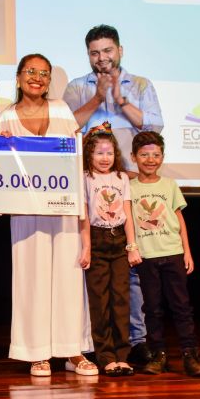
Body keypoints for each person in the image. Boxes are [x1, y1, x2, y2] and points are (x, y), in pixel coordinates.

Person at [63, 24, 164, 367]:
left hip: (131, 184)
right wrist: (97, 98)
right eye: (95, 52)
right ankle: (95, 341)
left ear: (120, 50)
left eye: (108, 50)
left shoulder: (141, 85)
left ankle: (134, 340)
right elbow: (65, 128)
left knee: (132, 271)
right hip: (90, 187)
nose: (102, 58)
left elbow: (152, 130)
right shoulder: (77, 87)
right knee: (93, 270)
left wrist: (120, 99)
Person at [0, 54, 97, 377]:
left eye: (44, 73)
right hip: (25, 207)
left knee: (68, 277)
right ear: (17, 77)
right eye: (31, 72)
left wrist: (81, 208)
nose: (37, 78)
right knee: (31, 276)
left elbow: (72, 158)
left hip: (63, 204)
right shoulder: (7, 117)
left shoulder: (60, 109)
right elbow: (0, 164)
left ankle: (72, 350)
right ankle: (36, 351)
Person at [129, 131, 200, 377]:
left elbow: (179, 219)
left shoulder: (170, 185)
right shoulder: (129, 188)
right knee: (152, 308)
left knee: (181, 306)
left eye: (156, 155)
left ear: (162, 157)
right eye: (144, 155)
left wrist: (187, 251)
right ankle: (158, 355)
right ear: (134, 157)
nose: (151, 160)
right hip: (146, 256)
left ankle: (189, 355)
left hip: (173, 252)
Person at [79, 124, 140, 376]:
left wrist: (132, 246)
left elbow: (127, 213)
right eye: (99, 153)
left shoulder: (122, 178)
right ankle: (105, 356)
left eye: (110, 153)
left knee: (121, 299)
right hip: (97, 238)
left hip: (118, 242)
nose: (105, 159)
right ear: (89, 155)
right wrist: (87, 248)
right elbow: (83, 217)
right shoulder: (84, 178)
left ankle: (122, 355)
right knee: (100, 301)